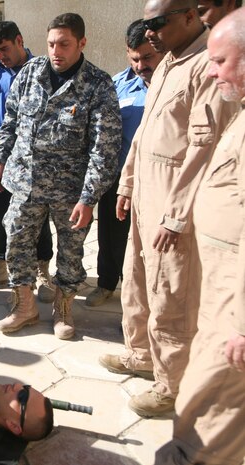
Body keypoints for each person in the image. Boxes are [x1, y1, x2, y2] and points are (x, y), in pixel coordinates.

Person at [99, 0, 239, 418]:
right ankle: (140, 354)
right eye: (147, 25)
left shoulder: (206, 66)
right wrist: (126, 185)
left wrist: (176, 214)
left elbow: (204, 148)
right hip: (145, 193)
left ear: (190, 17)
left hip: (174, 200)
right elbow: (144, 134)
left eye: (158, 23)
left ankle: (172, 385)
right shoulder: (166, 63)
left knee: (170, 294)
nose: (151, 33)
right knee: (136, 278)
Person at [0, 13, 121, 340]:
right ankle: (24, 306)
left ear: (81, 43)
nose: (56, 51)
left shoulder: (98, 84)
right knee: (17, 241)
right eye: (51, 43)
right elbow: (10, 121)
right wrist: (0, 160)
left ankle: (63, 309)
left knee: (71, 252)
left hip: (71, 191)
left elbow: (104, 147)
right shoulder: (30, 73)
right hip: (25, 182)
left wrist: (89, 196)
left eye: (64, 44)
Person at [155, 9, 245, 464]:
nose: (210, 72)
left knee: (203, 418)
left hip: (236, 312)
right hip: (223, 296)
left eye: (220, 61)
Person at [0, 21, 55, 303]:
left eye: (4, 49)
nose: (0, 56)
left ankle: (42, 270)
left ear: (19, 40)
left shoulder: (45, 70)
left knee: (38, 215)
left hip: (31, 155)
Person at [86, 21, 163, 307]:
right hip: (118, 177)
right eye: (134, 58)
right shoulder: (118, 84)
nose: (141, 65)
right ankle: (106, 284)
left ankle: (146, 296)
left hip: (157, 180)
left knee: (148, 241)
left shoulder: (172, 83)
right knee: (110, 234)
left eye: (147, 57)